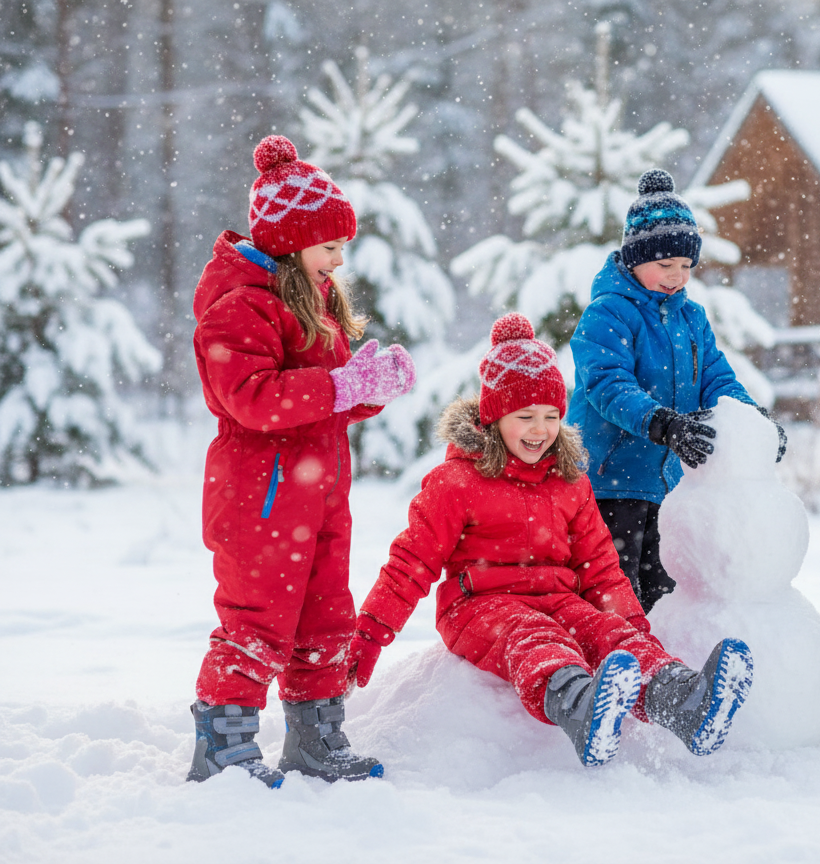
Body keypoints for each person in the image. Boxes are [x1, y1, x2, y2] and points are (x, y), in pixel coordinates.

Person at [347, 313, 754, 767]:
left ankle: (683, 702)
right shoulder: (456, 483)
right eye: (525, 417)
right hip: (480, 606)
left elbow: (600, 567)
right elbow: (410, 564)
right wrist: (367, 636)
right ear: (493, 417)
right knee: (532, 636)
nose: (539, 430)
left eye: (551, 417)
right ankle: (580, 707)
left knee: (607, 632)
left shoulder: (569, 481)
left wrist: (635, 634)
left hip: (558, 599)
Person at [187, 135, 416, 786]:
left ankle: (316, 739)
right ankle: (222, 744)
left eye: (341, 246)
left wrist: (367, 386)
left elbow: (324, 398)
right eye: (329, 247)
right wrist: (340, 387)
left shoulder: (309, 298)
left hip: (320, 494)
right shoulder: (242, 302)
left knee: (325, 618)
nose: (338, 259)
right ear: (290, 242)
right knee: (257, 619)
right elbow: (250, 397)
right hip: (261, 498)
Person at [568, 169, 785, 613]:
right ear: (633, 258)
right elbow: (607, 384)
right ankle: (608, 668)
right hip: (609, 484)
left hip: (666, 488)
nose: (677, 277)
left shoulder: (691, 319)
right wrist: (662, 423)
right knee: (612, 596)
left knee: (664, 600)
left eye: (686, 266)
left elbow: (717, 380)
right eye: (665, 265)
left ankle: (660, 675)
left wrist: (752, 423)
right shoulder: (607, 313)